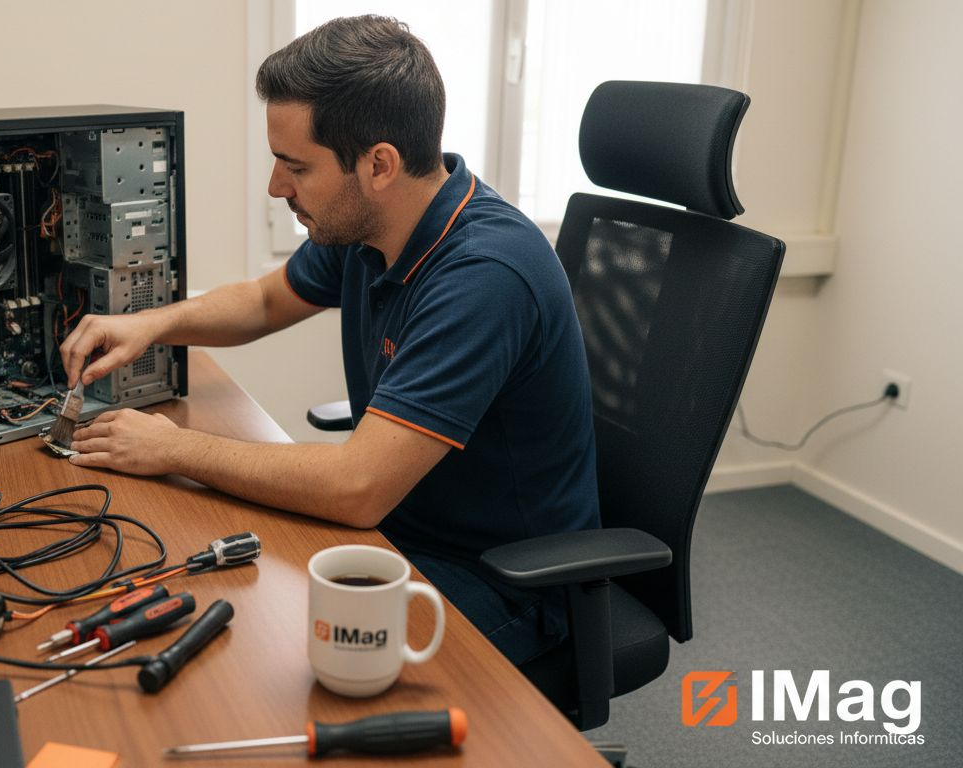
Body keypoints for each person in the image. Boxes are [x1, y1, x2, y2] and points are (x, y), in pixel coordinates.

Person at [59, 15, 599, 666]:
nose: (275, 187)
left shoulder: (485, 278)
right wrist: (152, 322)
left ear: (378, 165)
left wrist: (173, 449)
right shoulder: (374, 229)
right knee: (221, 601)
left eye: (295, 167)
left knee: (267, 664)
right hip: (399, 534)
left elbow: (357, 486)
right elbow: (262, 302)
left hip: (500, 582)